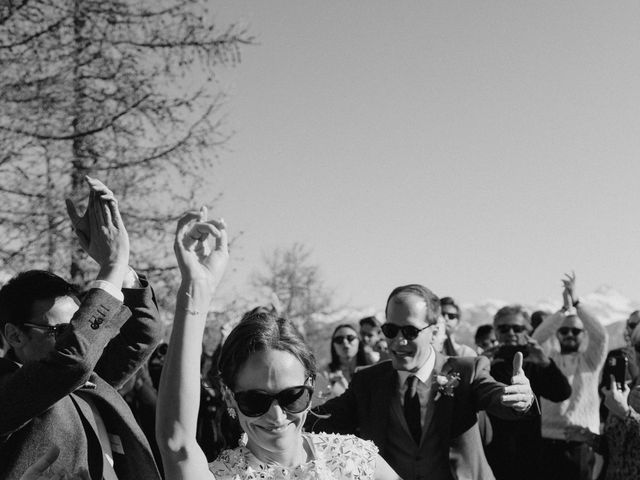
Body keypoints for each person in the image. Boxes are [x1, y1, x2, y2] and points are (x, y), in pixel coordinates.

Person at [156, 210, 401, 480]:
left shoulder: (354, 459)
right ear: (230, 397)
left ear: (311, 385)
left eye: (292, 397)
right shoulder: (223, 476)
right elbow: (177, 446)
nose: (276, 415)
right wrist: (196, 291)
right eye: (254, 400)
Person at [0, 177, 163, 480]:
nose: (76, 336)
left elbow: (144, 334)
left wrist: (123, 272)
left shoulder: (87, 379)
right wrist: (111, 265)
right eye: (60, 330)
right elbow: (73, 361)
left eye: (78, 324)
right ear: (14, 335)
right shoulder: (9, 390)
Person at [308, 283, 536, 480]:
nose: (399, 340)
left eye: (410, 331)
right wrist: (285, 405)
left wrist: (520, 398)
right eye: (390, 330)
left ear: (434, 331)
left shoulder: (467, 370)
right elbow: (325, 419)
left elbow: (496, 395)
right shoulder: (368, 380)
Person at [533, 272, 608, 480]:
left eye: (575, 331)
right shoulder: (548, 360)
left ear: (583, 335)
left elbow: (601, 336)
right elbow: (535, 341)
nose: (569, 335)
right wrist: (563, 311)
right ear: (557, 333)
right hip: (547, 440)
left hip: (581, 443)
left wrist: (576, 304)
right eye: (564, 331)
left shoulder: (591, 362)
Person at [484, 305, 572, 480]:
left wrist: (545, 362)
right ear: (495, 331)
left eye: (517, 328)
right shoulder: (486, 362)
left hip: (529, 451)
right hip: (493, 451)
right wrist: (483, 366)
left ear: (527, 332)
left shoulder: (533, 362)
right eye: (504, 328)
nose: (511, 333)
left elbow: (561, 393)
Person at [565, 324, 640, 480]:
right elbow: (618, 449)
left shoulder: (623, 402)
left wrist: (625, 414)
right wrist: (589, 438)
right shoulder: (627, 392)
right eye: (639, 346)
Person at [319, 324, 369, 399]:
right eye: (339, 339)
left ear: (359, 342)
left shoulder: (373, 365)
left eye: (350, 338)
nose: (345, 342)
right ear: (334, 346)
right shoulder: (325, 374)